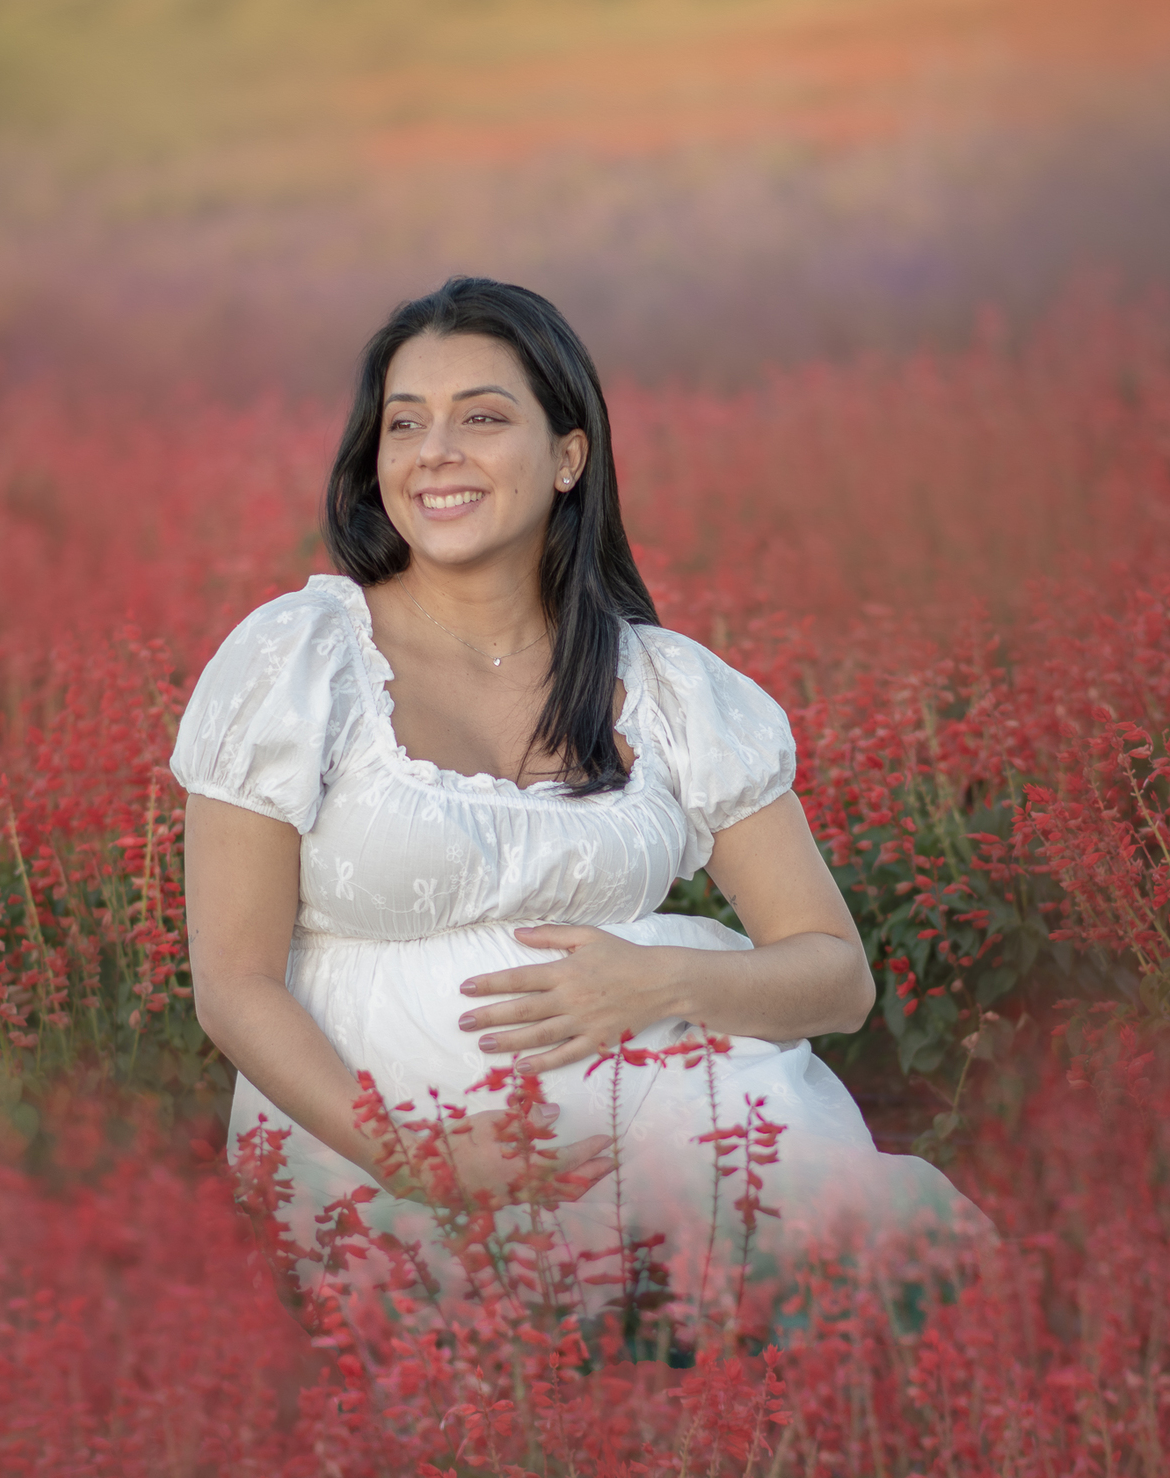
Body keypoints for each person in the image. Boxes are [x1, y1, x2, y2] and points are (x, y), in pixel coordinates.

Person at [171, 276, 987, 1300]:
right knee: (497, 1429)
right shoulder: (300, 660)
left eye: (483, 417)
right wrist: (412, 1156)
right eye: (405, 423)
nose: (436, 452)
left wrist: (659, 984)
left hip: (675, 1126)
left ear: (569, 455)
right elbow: (233, 985)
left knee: (894, 1284)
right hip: (382, 1167)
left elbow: (835, 975)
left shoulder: (669, 687)